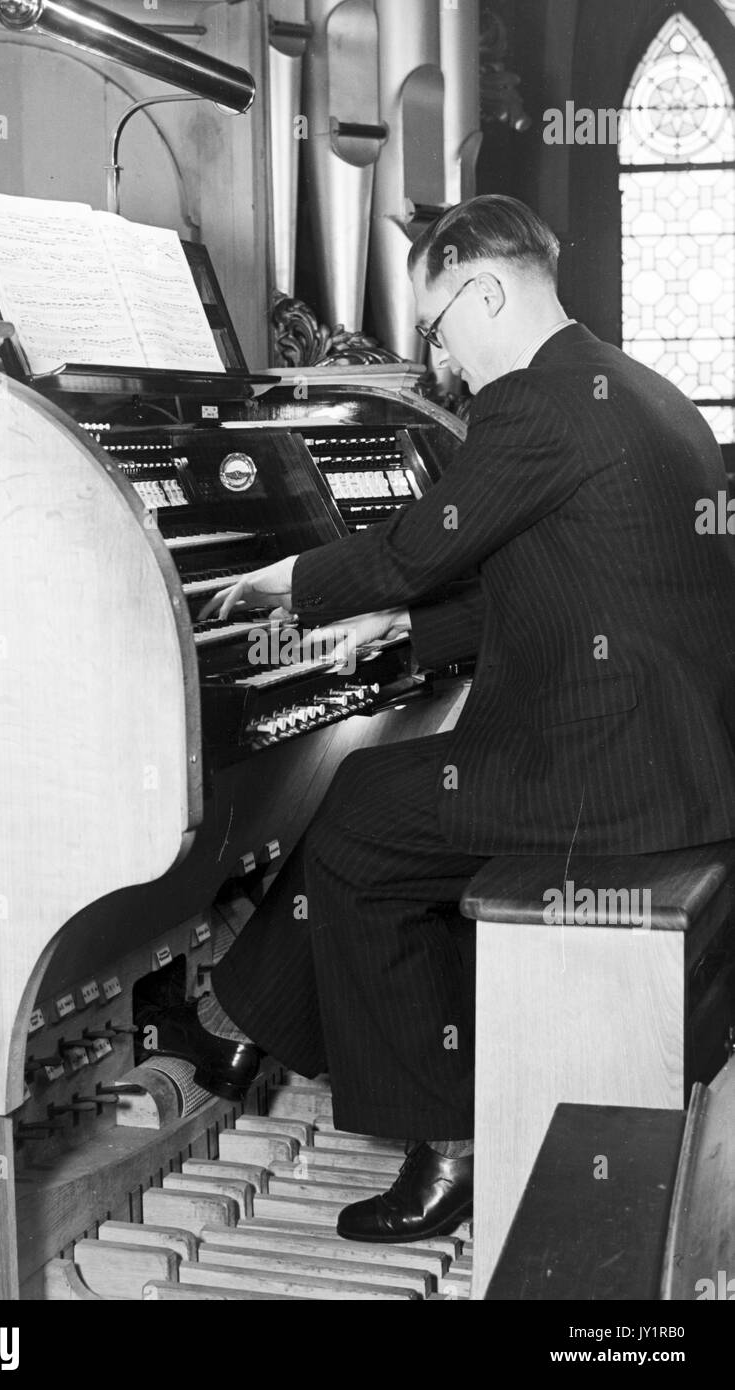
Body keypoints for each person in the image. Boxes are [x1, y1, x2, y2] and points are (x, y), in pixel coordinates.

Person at [155, 195, 735, 1244]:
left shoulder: (536, 404)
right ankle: (234, 1028)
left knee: (364, 820)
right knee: (369, 801)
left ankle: (442, 1136)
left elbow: (410, 557)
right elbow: (528, 586)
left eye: (438, 328)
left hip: (612, 780)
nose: (441, 364)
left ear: (488, 287)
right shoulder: (636, 387)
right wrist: (374, 647)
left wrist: (282, 582)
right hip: (673, 763)